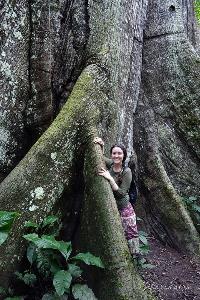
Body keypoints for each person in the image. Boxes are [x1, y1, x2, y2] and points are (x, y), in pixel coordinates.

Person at [94, 137, 139, 259]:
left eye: (119, 153)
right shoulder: (111, 164)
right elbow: (100, 158)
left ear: (124, 155)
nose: (116, 156)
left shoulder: (127, 171)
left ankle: (135, 259)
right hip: (111, 207)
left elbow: (122, 193)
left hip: (124, 208)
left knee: (130, 234)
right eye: (114, 153)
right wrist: (101, 146)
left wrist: (109, 178)